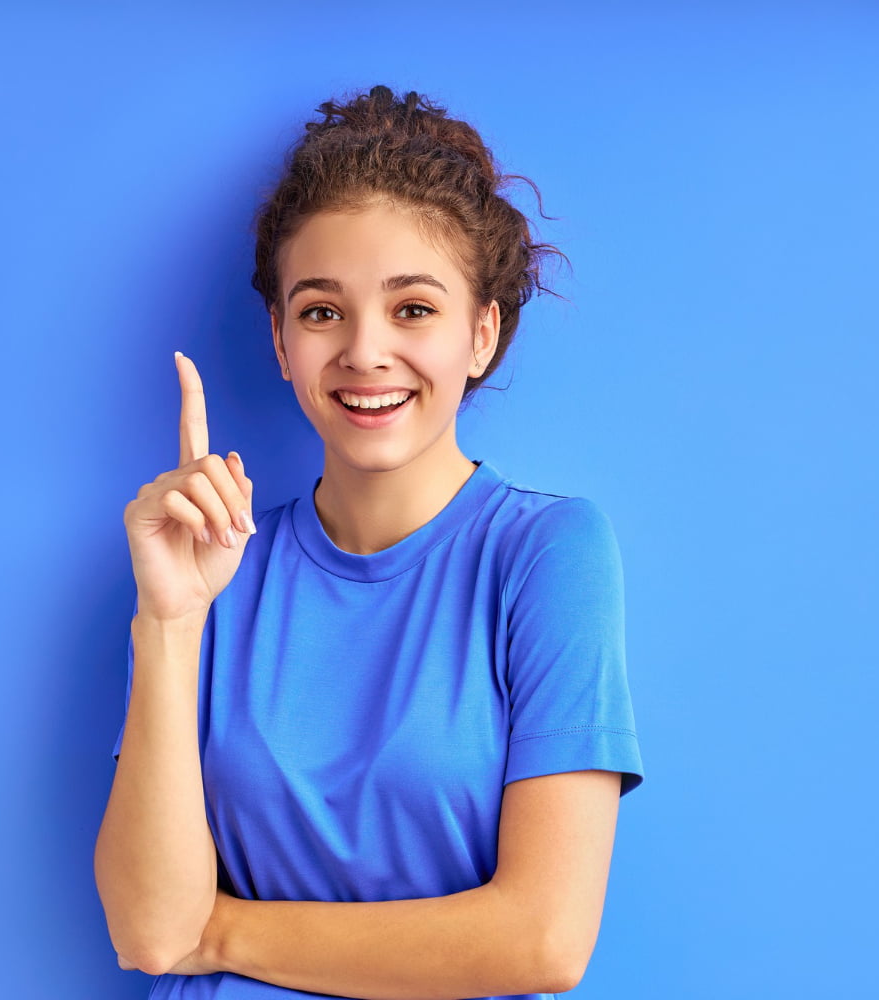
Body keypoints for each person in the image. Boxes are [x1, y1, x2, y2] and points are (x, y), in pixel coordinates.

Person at [94, 84, 645, 1000]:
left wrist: (222, 929)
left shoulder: (549, 553)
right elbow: (152, 930)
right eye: (321, 311)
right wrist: (168, 618)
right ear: (278, 340)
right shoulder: (212, 571)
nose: (364, 351)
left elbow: (543, 939)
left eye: (413, 309)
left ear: (482, 334)